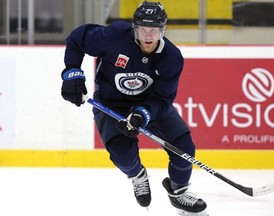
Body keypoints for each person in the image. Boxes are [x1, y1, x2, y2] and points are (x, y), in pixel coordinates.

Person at [61, 1, 208, 216]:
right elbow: (77, 38)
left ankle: (178, 193)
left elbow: (163, 99)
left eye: (154, 30)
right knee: (122, 154)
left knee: (184, 149)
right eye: (143, 29)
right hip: (110, 104)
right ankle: (138, 176)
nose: (148, 35)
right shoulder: (114, 37)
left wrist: (143, 114)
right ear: (134, 28)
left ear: (163, 30)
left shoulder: (171, 58)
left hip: (149, 106)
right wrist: (72, 71)